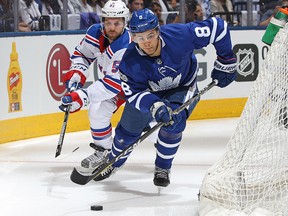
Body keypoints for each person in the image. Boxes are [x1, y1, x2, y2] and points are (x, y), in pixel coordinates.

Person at [61, 8, 236, 187]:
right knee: (126, 133)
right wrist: (155, 106)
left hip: (182, 87)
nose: (147, 43)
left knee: (174, 123)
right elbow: (135, 95)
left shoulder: (181, 35)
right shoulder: (129, 61)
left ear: (158, 31)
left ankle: (163, 167)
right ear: (133, 37)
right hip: (148, 93)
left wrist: (226, 61)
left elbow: (218, 27)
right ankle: (114, 162)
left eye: (150, 36)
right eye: (140, 38)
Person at [59, 0, 131, 173]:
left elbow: (111, 86)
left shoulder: (127, 44)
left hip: (136, 87)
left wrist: (80, 97)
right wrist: (77, 72)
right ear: (102, 21)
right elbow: (82, 54)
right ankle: (105, 152)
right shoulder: (95, 33)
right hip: (116, 85)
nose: (112, 27)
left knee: (150, 125)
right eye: (108, 22)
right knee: (97, 111)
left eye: (117, 23)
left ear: (124, 22)